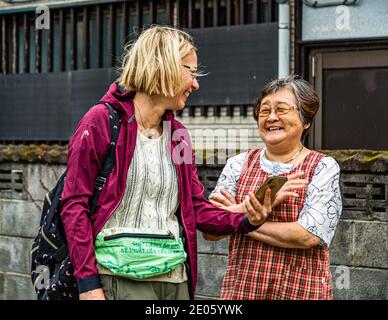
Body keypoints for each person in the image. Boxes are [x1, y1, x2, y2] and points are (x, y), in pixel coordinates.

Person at [60, 25, 269, 300]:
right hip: (120, 277)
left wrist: (245, 219)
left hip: (175, 280)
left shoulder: (178, 135)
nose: (196, 83)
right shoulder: (100, 121)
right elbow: (74, 205)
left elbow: (195, 208)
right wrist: (88, 284)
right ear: (163, 65)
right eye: (190, 72)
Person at [206, 75, 342, 300]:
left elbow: (307, 236)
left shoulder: (322, 167)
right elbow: (210, 229)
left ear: (305, 119)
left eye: (281, 109)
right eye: (264, 111)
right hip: (242, 292)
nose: (271, 117)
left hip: (301, 291)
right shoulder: (238, 164)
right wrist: (246, 211)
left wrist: (234, 217)